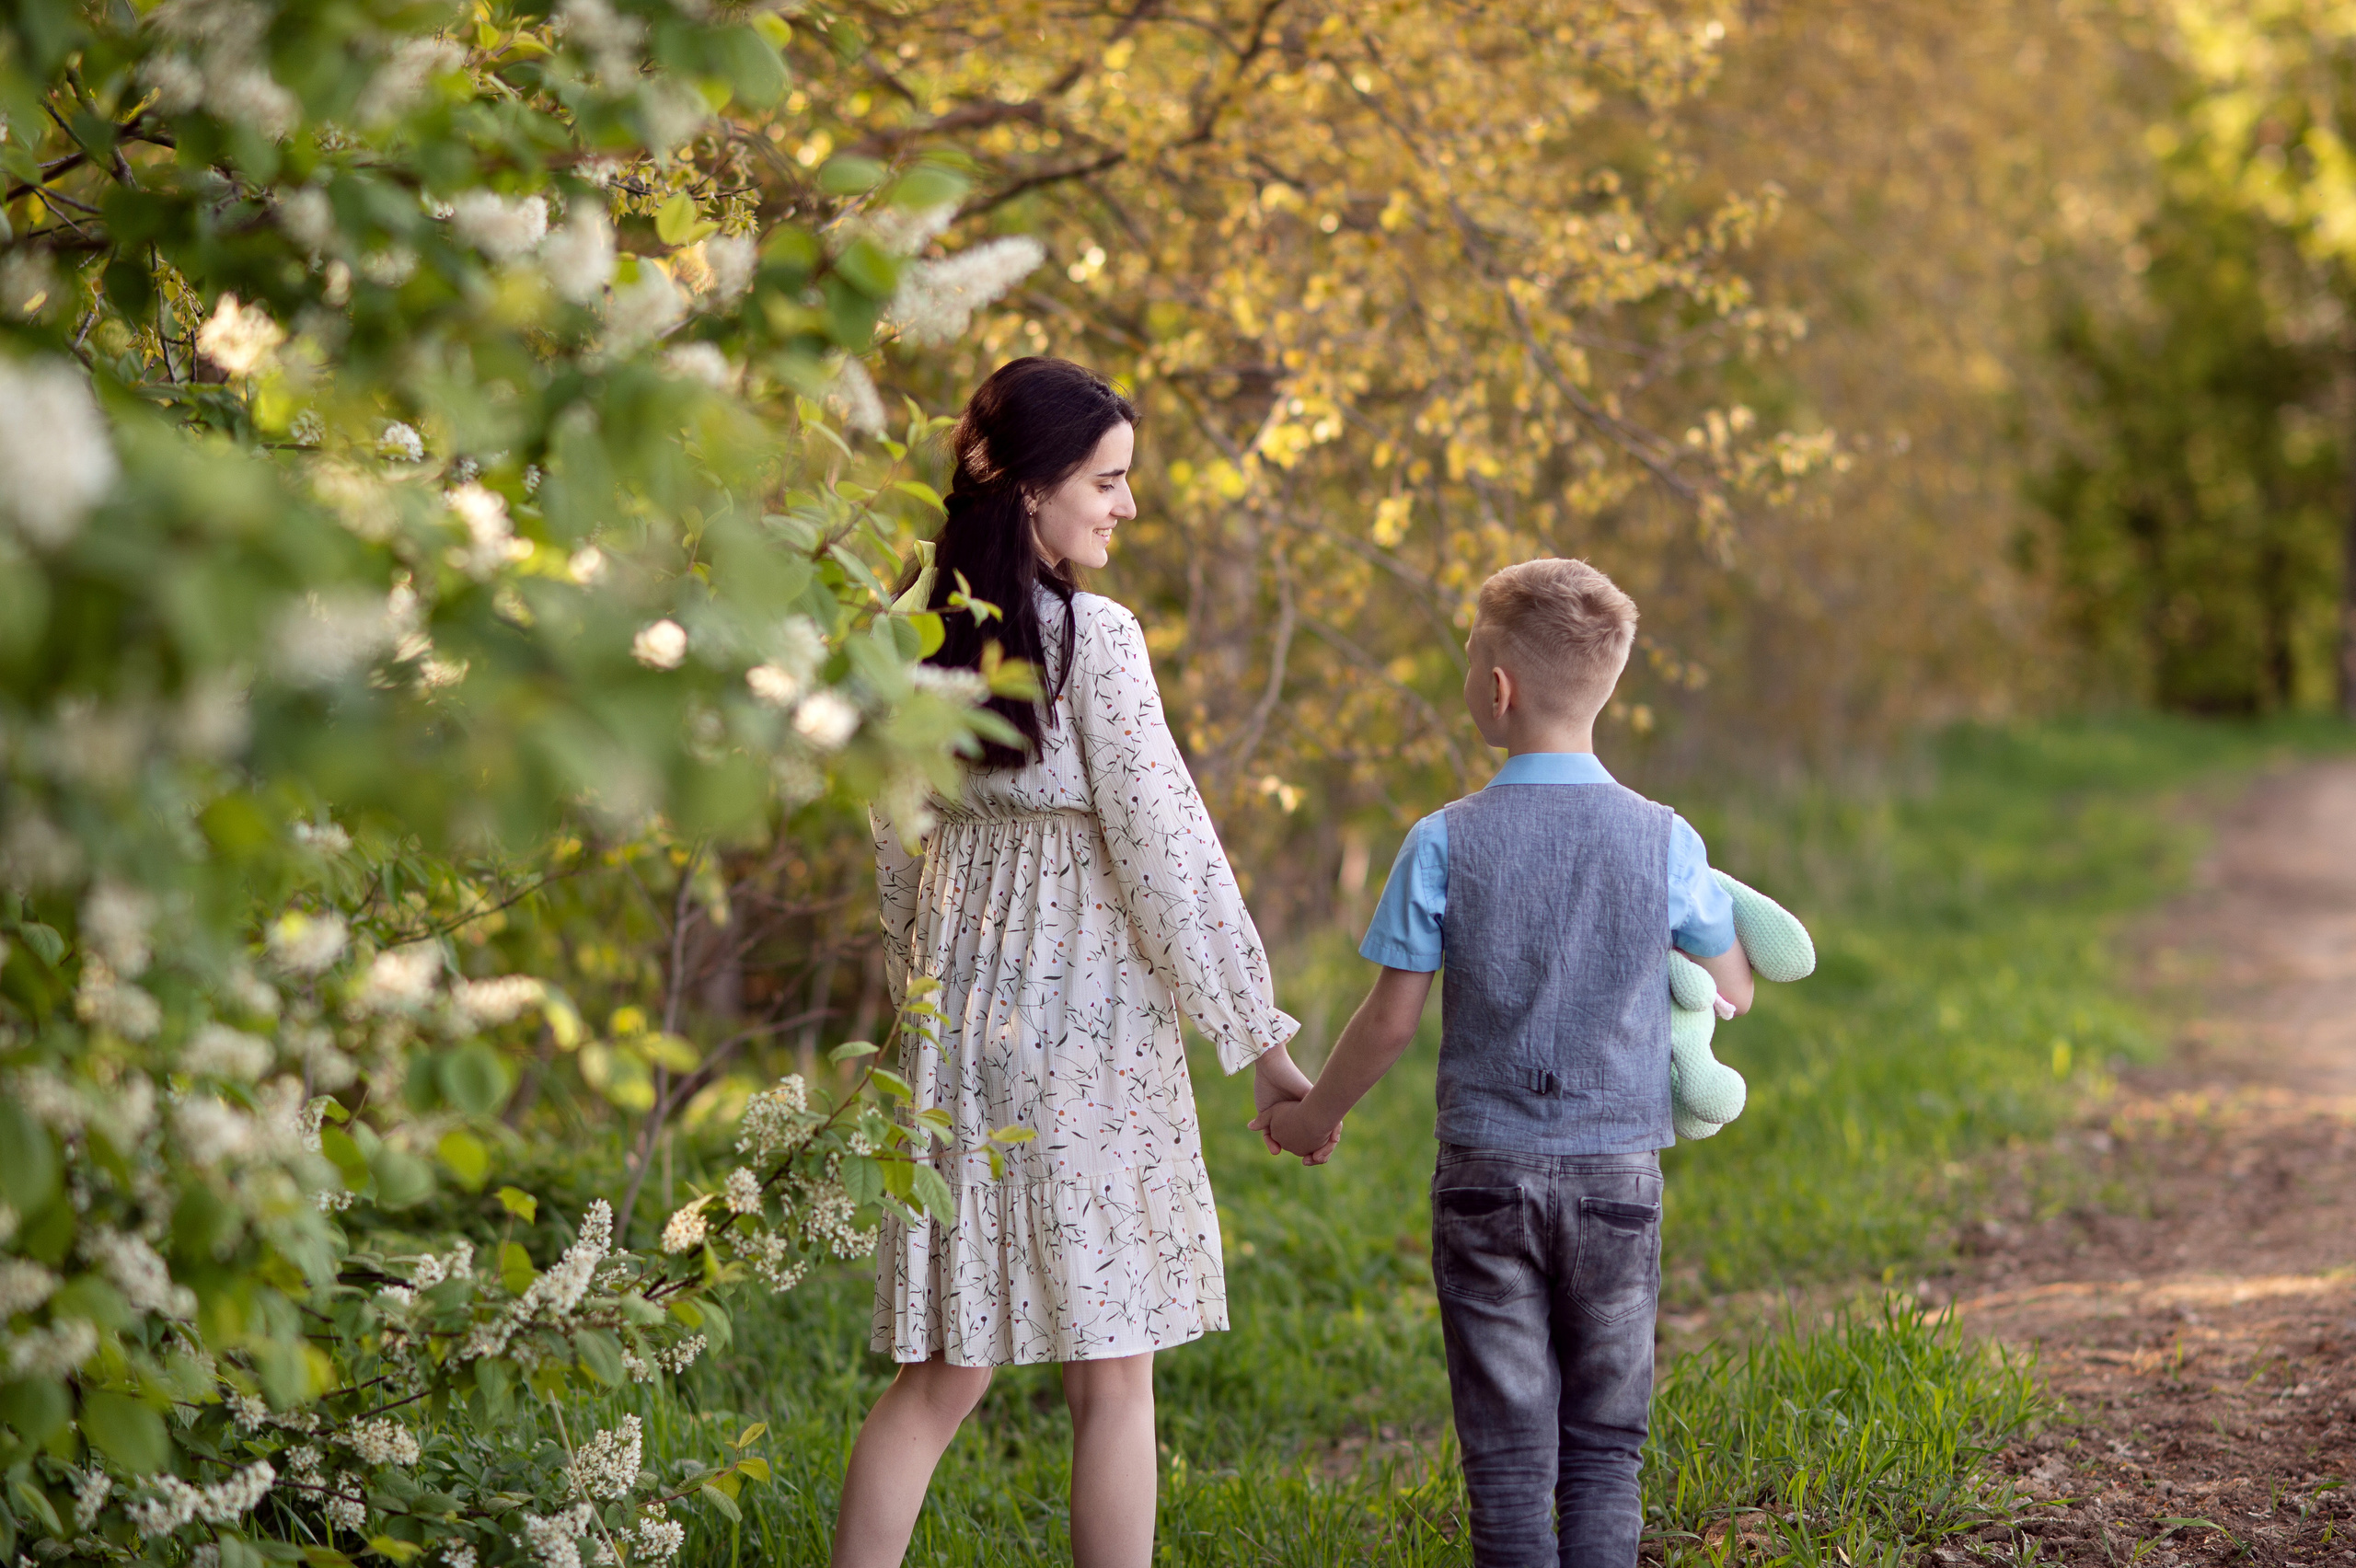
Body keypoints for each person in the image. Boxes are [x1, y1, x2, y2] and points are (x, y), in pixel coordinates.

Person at [833, 356, 1325, 1568]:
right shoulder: (1092, 642)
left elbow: (893, 861)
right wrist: (1261, 1044)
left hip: (960, 1037)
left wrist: (922, 999)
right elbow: (1170, 855)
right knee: (1115, 1377)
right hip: (1092, 1038)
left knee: (943, 1373)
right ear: (1032, 489)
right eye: (1107, 482)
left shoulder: (901, 643)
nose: (1127, 507)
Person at [1254, 558, 1754, 1568]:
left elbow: (1390, 1022)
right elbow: (1732, 982)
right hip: (1617, 1176)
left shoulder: (1441, 841)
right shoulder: (1663, 839)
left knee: (1508, 1456)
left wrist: (1313, 1118)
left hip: (1486, 1175)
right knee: (1607, 1445)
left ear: (1497, 689)